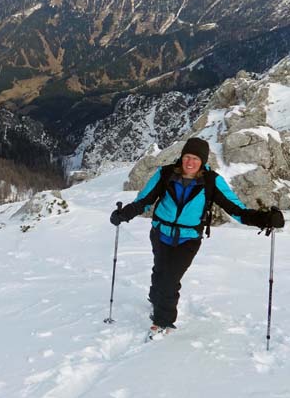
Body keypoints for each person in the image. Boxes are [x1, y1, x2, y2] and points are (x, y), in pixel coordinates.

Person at [110, 137, 285, 339]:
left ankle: (163, 322)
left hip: (188, 238)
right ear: (181, 157)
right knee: (160, 270)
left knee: (170, 279)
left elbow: (236, 210)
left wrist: (264, 219)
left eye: (195, 158)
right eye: (187, 157)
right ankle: (155, 297)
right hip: (160, 233)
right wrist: (125, 214)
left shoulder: (211, 181)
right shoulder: (165, 174)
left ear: (202, 161)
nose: (190, 162)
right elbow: (144, 201)